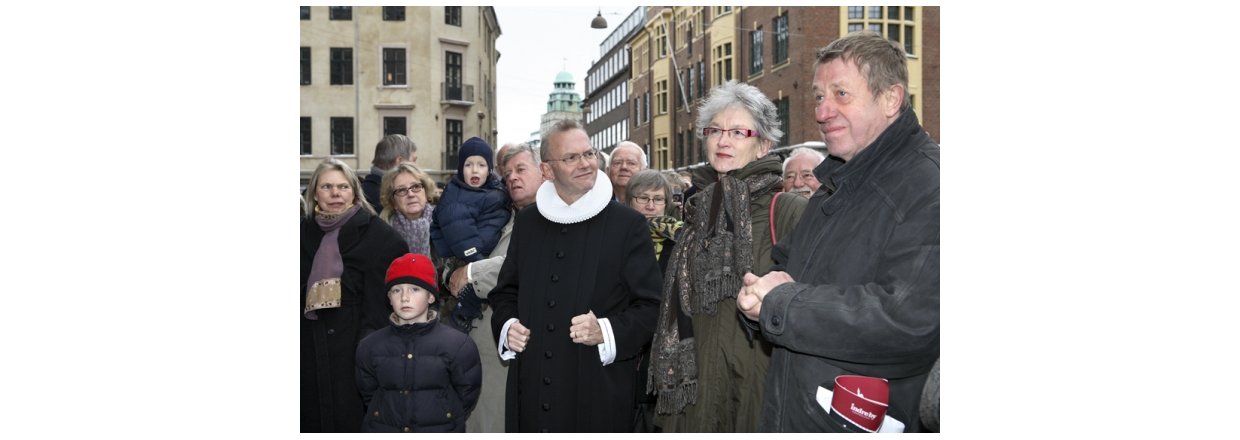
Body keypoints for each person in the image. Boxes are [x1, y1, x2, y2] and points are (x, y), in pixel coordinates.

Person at [735, 31, 939, 432]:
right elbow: (786, 272)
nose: (822, 111)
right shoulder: (837, 184)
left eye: (841, 94)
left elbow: (909, 321)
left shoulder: (929, 186)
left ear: (890, 99)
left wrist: (779, 304)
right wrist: (758, 298)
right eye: (818, 96)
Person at [649, 80, 807, 433]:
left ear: (763, 144)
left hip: (755, 389)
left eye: (739, 132)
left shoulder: (788, 211)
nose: (723, 141)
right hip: (693, 393)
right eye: (715, 130)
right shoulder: (692, 212)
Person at [489, 119, 662, 432]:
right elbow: (505, 292)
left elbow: (652, 307)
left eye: (589, 153)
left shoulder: (628, 225)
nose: (585, 163)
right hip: (532, 393)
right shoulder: (528, 223)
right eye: (571, 158)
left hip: (597, 393)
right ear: (547, 170)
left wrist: (606, 331)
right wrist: (507, 325)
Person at [301, 158, 409, 432]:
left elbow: (384, 307)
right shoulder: (301, 234)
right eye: (327, 186)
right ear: (314, 193)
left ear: (354, 191)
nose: (335, 193)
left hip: (357, 358)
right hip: (308, 360)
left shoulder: (379, 237)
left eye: (342, 186)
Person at [442, 142, 544, 433]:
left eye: (521, 169)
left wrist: (472, 272)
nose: (511, 177)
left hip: (517, 347)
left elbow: (527, 263)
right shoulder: (501, 213)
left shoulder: (554, 214)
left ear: (544, 171)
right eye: (506, 172)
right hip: (482, 344)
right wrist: (450, 270)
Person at [355, 253, 482, 433]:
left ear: (431, 297)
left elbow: (466, 395)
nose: (404, 298)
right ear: (389, 298)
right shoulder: (369, 346)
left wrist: (445, 414)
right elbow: (369, 393)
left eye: (415, 289)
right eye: (396, 290)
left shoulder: (459, 345)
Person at [624, 169, 684, 432]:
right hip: (625, 342)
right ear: (629, 201)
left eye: (658, 199)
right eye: (642, 198)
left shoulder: (680, 240)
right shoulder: (618, 239)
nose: (650, 205)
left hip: (663, 350)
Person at [431, 136, 511, 331]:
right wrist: (477, 264)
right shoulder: (455, 197)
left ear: (490, 169)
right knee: (465, 306)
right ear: (460, 169)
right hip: (467, 259)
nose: (475, 170)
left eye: (481, 165)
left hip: (480, 258)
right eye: (468, 164)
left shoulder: (494, 191)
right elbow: (461, 237)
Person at [378, 162, 438, 256]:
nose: (410, 194)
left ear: (426, 192)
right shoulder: (382, 233)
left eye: (416, 187)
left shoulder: (444, 224)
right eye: (401, 190)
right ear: (393, 201)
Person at [362, 134, 418, 211]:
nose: (416, 166)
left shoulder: (364, 191)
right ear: (400, 161)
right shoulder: (385, 198)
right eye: (414, 160)